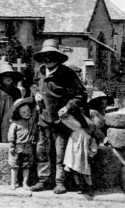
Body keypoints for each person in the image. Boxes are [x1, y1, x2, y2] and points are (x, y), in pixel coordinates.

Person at [29, 39, 87, 194]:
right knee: (42, 151)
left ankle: (60, 182)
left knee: (59, 152)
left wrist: (67, 107)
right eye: (45, 56)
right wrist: (35, 94)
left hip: (60, 121)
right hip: (43, 119)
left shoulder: (67, 73)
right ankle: (43, 181)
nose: (48, 60)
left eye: (51, 56)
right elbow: (33, 85)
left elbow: (80, 94)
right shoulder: (40, 71)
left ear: (58, 57)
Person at [59, 99, 98, 196]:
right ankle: (79, 186)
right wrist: (66, 109)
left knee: (86, 171)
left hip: (84, 152)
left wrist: (92, 152)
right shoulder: (73, 126)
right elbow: (62, 116)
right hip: (74, 151)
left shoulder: (89, 127)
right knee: (75, 169)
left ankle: (90, 187)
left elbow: (92, 141)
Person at [8, 97, 37, 190]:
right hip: (18, 146)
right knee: (14, 165)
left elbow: (33, 130)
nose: (27, 113)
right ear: (18, 113)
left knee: (26, 165)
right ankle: (13, 183)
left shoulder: (30, 122)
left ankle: (25, 183)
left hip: (28, 147)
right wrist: (12, 146)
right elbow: (11, 136)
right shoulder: (15, 124)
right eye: (23, 112)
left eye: (28, 111)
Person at [0, 61, 23, 142]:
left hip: (14, 118)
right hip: (2, 118)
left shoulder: (17, 91)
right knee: (4, 137)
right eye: (5, 77)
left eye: (10, 77)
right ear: (1, 79)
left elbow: (19, 105)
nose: (8, 78)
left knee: (15, 137)